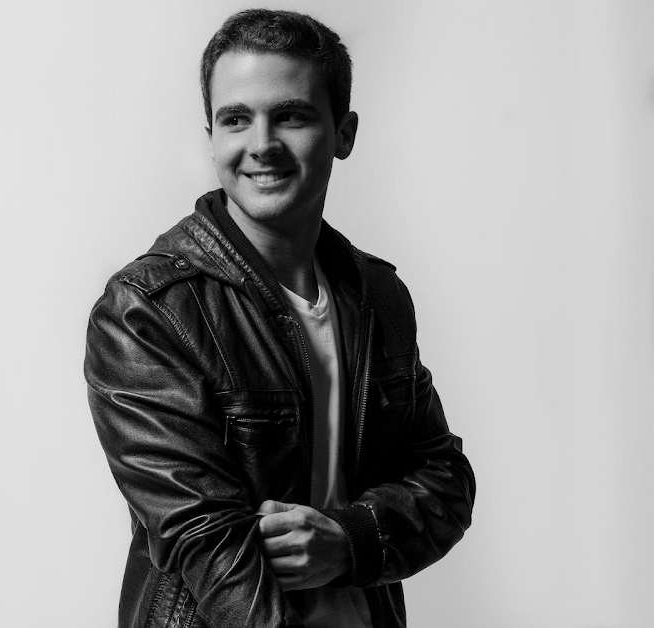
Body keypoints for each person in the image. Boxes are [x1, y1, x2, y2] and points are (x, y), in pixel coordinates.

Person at [84, 9, 475, 628]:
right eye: (236, 119)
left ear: (344, 133)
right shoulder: (149, 311)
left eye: (291, 115)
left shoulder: (377, 295)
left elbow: (444, 478)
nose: (261, 144)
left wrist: (350, 540)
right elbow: (208, 545)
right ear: (211, 135)